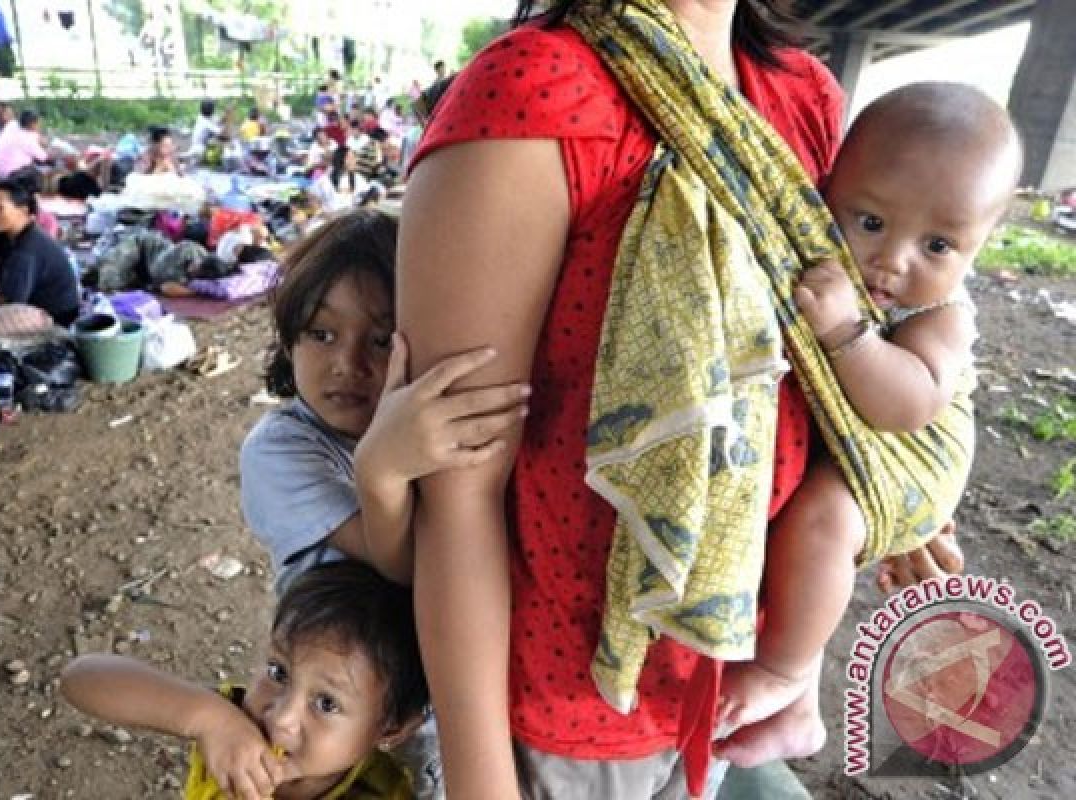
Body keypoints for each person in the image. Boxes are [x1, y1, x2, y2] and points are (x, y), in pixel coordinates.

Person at [394, 2, 969, 798]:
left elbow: (830, 343)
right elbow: (454, 488)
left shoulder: (801, 94)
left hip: (722, 684)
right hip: (569, 711)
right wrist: (480, 781)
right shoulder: (537, 93)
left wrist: (888, 486)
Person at [718, 81, 1022, 737]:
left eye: (938, 246)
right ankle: (797, 706)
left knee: (822, 522)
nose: (892, 261)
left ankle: (787, 675)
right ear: (827, 189)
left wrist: (847, 333)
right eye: (871, 223)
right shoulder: (856, 270)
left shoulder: (941, 314)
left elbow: (905, 403)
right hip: (867, 434)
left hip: (916, 454)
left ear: (981, 242)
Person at [241, 208, 526, 798]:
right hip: (334, 708)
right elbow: (397, 560)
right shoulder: (280, 450)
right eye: (322, 334)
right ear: (288, 338)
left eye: (379, 340)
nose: (349, 363)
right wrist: (383, 466)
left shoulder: (421, 430)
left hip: (420, 699)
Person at [62, 560, 428, 800]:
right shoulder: (230, 722)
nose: (281, 717)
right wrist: (207, 719)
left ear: (390, 731)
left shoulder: (383, 794)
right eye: (278, 673)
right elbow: (82, 678)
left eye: (326, 703)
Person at [0, 179, 80, 326]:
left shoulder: (26, 251)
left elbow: (11, 306)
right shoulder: (22, 236)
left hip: (54, 321)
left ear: (23, 210)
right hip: (43, 311)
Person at [0, 109, 50, 181]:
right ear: (32, 124)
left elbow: (35, 136)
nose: (39, 126)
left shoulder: (11, 125)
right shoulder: (28, 140)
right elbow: (44, 158)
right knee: (42, 175)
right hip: (13, 174)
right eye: (38, 123)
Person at [311, 147, 375, 213]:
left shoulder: (357, 178)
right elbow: (312, 195)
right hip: (332, 218)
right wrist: (321, 212)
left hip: (351, 217)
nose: (355, 160)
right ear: (341, 159)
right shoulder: (325, 180)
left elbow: (369, 194)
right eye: (351, 158)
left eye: (354, 157)